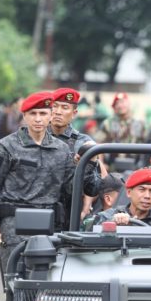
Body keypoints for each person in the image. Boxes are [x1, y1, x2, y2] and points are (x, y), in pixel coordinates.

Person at [0, 91, 102, 268]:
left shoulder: (61, 150)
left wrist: (87, 166)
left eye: (43, 113)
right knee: (16, 283)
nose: (38, 119)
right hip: (14, 226)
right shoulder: (6, 147)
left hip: (50, 227)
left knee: (47, 286)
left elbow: (71, 189)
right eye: (33, 114)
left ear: (50, 115)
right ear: (24, 116)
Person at [49, 87, 106, 223]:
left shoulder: (84, 143)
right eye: (55, 106)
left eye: (64, 107)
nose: (58, 112)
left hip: (68, 216)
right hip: (34, 211)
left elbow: (93, 188)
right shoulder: (36, 137)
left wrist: (89, 164)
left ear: (74, 113)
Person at [87, 168, 151, 233]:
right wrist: (112, 225)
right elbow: (89, 240)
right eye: (142, 190)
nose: (147, 196)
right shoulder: (108, 216)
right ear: (128, 193)